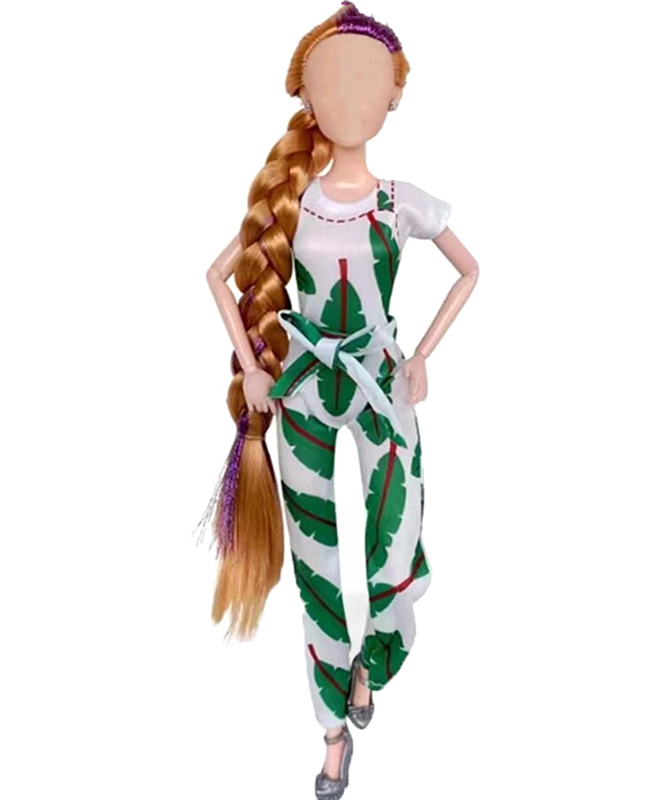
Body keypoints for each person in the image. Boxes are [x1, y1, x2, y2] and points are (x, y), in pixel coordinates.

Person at [195, 4, 479, 797]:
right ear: (305, 98)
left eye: (369, 81)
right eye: (333, 81)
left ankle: (372, 662)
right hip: (304, 393)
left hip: (383, 385)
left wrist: (421, 355)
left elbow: (471, 270)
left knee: (397, 535)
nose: (352, 96)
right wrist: (254, 368)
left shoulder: (400, 200)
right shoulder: (294, 203)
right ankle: (330, 736)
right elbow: (216, 275)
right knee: (315, 563)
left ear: (395, 96)